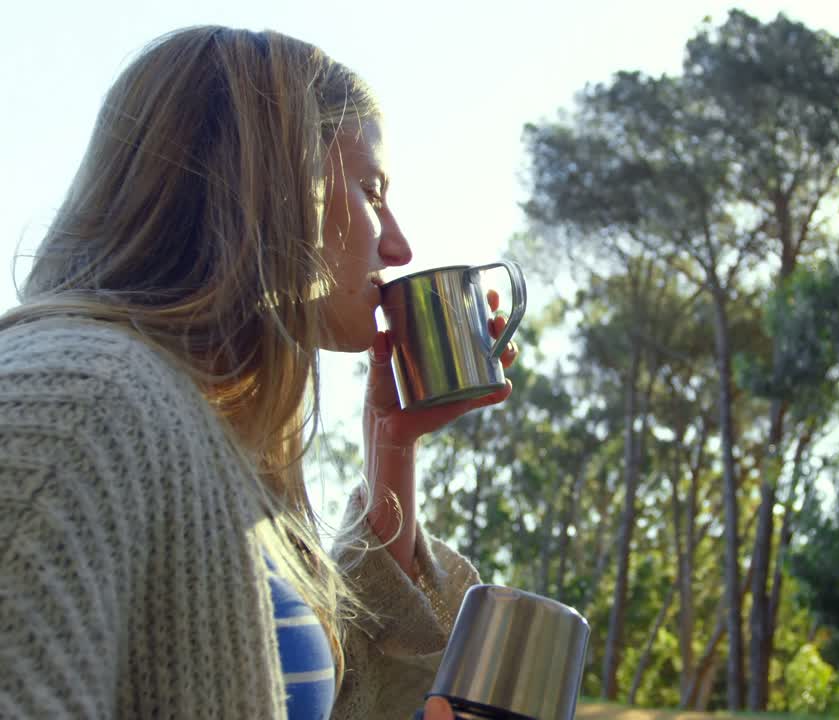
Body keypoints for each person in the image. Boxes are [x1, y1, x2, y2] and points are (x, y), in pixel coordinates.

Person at [0, 27, 513, 720]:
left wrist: (391, 450)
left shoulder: (199, 438)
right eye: (371, 190)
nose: (398, 243)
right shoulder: (76, 410)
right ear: (269, 187)